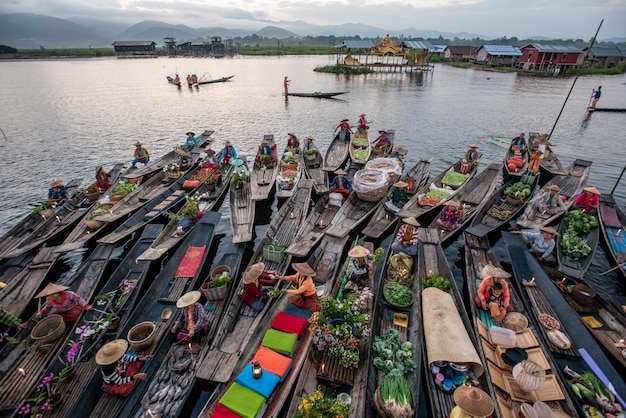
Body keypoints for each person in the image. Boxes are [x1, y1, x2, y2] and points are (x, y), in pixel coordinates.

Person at [19, 283, 91, 328]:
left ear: (58, 292)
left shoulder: (69, 294)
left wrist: (85, 306)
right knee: (52, 317)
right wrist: (41, 312)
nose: (53, 296)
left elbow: (79, 299)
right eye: (50, 295)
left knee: (76, 314)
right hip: (62, 312)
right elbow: (48, 306)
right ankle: (64, 323)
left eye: (54, 293)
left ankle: (68, 322)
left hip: (73, 308)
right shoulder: (49, 299)